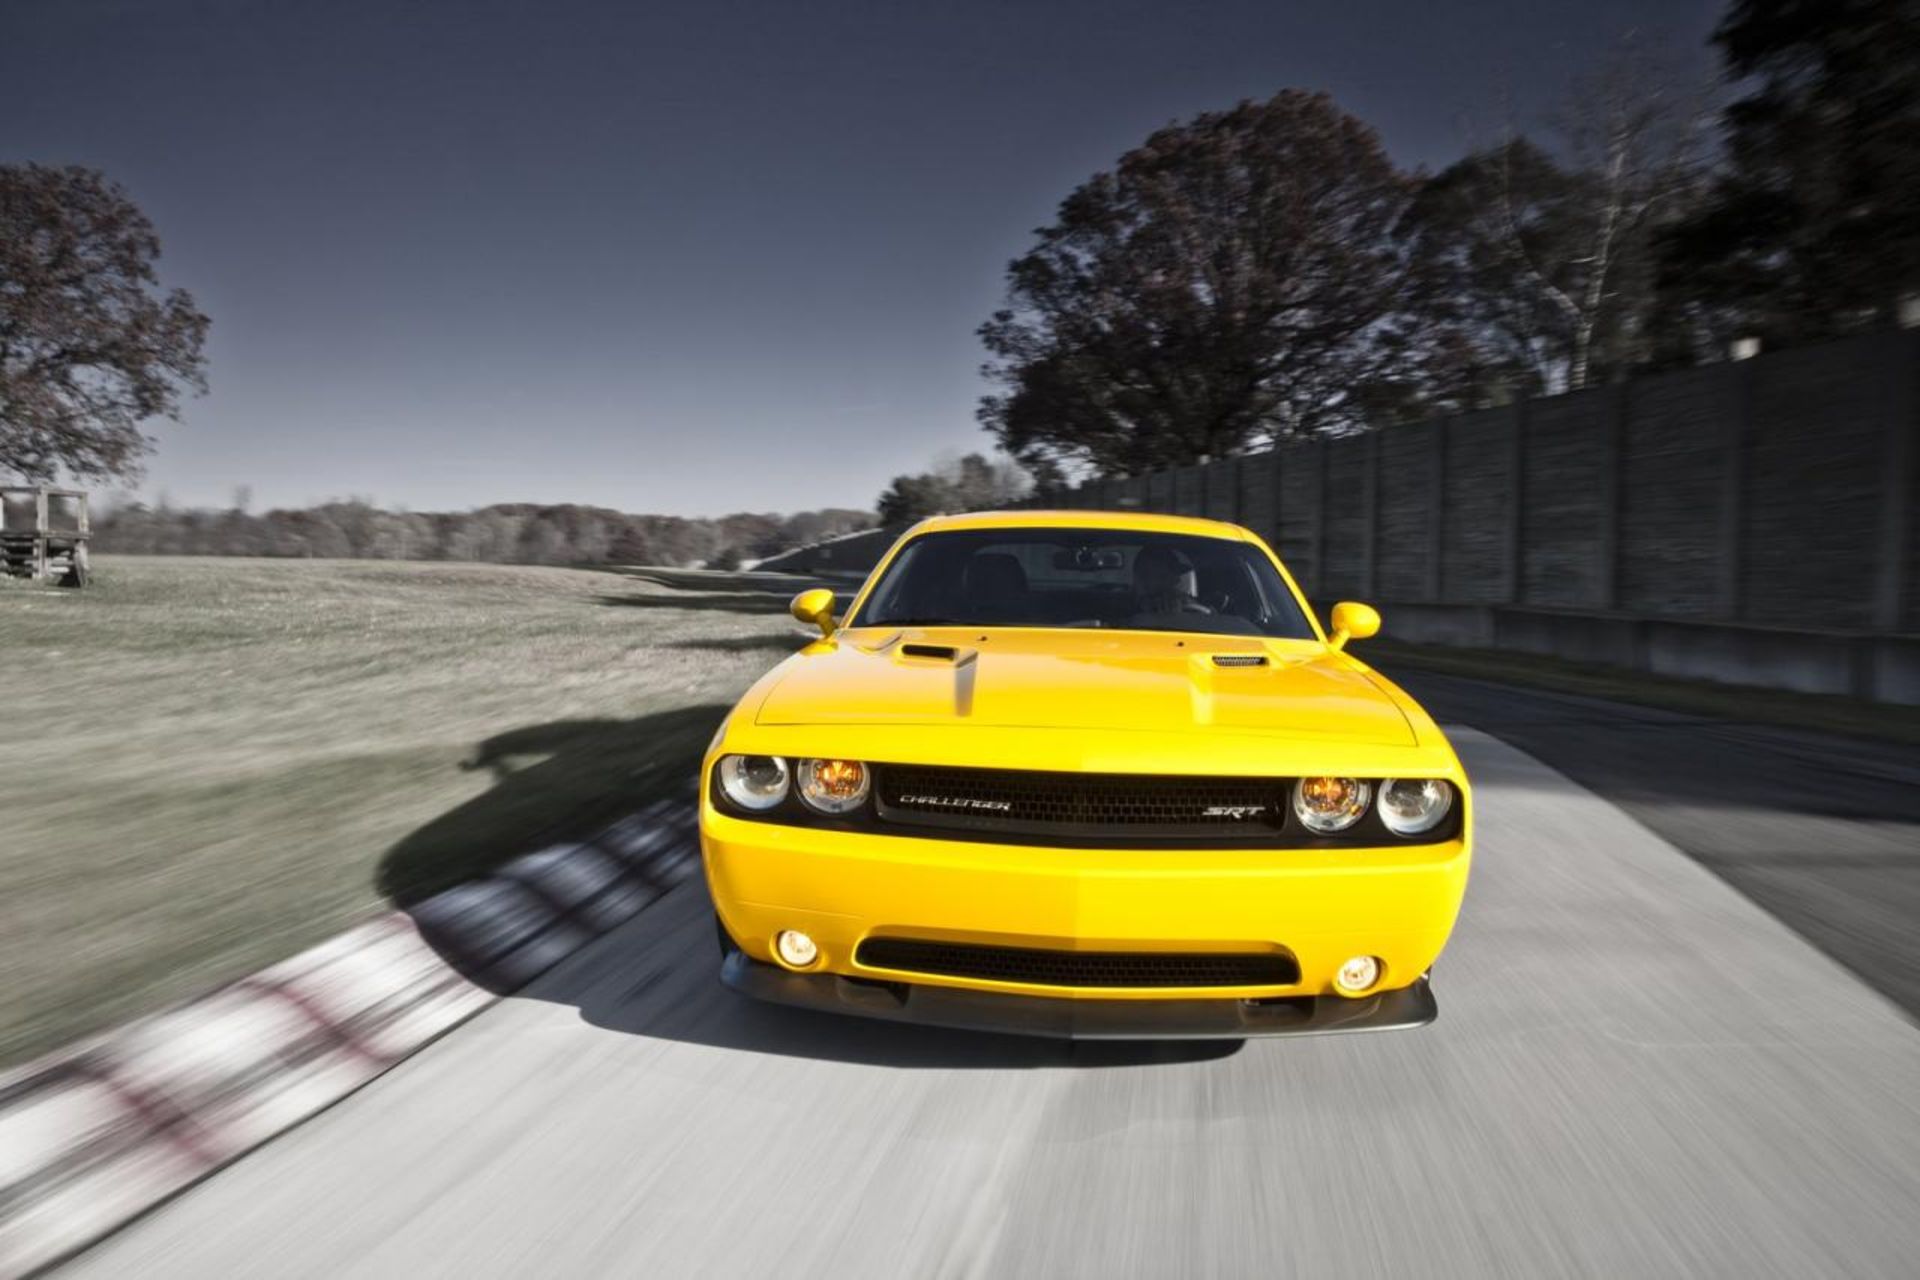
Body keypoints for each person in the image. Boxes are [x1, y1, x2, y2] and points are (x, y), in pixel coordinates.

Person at [1130, 543, 1210, 616]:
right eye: (1165, 576)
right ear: (1143, 579)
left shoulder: (1186, 603)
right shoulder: (1123, 612)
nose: (1177, 580)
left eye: (1176, 574)